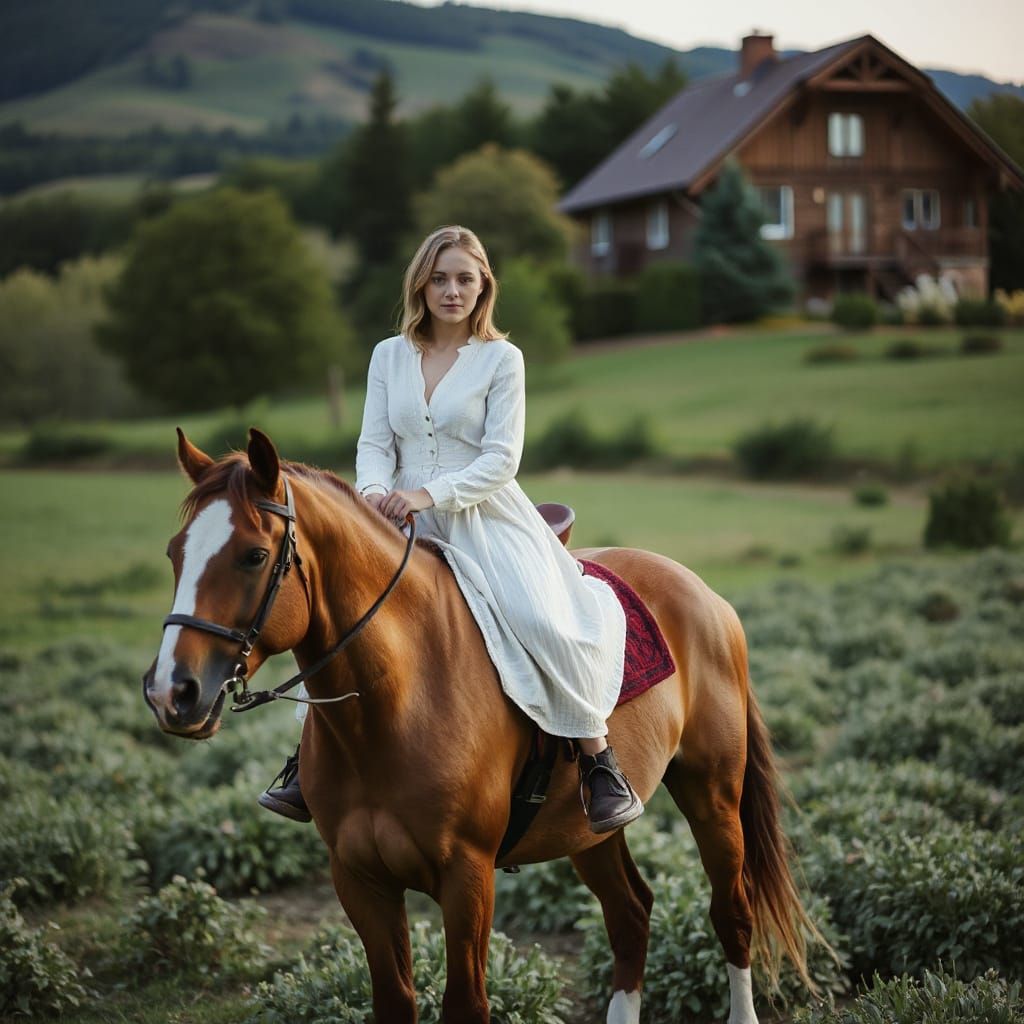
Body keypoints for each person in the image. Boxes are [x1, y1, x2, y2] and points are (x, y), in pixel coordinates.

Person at [258, 225, 642, 834]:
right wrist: (379, 495)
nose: (452, 290)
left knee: (539, 618)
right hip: (393, 517)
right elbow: (375, 442)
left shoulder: (501, 359)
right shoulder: (389, 355)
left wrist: (427, 493)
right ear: (421, 285)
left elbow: (500, 458)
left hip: (483, 515)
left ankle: (598, 761)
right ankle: (309, 762)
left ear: (483, 285)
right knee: (340, 620)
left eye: (465, 278)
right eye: (439, 278)